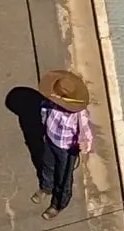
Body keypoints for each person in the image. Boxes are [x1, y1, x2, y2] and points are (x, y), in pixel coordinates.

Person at [38, 67, 94, 216]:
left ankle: (58, 204)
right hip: (50, 140)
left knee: (63, 178)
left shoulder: (79, 114)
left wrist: (84, 144)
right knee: (47, 165)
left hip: (66, 149)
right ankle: (46, 187)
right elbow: (44, 113)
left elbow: (86, 132)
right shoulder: (50, 101)